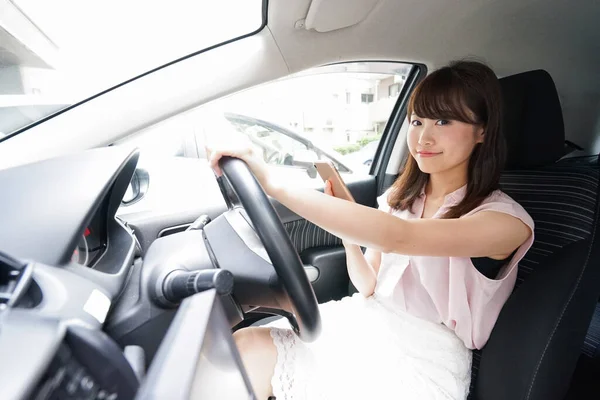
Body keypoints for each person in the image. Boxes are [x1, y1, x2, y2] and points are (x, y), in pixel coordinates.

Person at [205, 60, 534, 400]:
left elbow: (399, 238)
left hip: (425, 359)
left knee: (251, 356)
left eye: (443, 121)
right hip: (366, 323)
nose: (423, 136)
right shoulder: (400, 199)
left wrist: (274, 185)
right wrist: (351, 238)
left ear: (482, 131)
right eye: (417, 120)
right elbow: (368, 286)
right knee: (238, 345)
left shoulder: (505, 221)